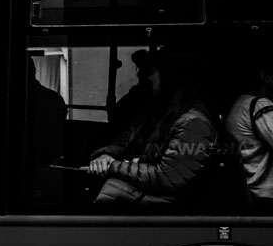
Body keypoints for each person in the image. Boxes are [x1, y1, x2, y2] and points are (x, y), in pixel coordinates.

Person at [86, 50, 219, 205]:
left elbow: (168, 177)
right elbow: (126, 139)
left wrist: (113, 166)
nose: (149, 78)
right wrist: (106, 155)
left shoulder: (194, 123)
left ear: (170, 76)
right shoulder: (156, 111)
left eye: (153, 73)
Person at [225, 55, 273, 209]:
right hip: (265, 196)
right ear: (265, 76)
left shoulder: (240, 104)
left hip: (249, 194)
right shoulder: (260, 105)